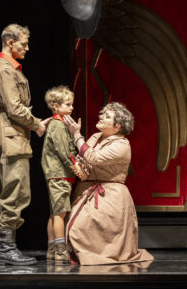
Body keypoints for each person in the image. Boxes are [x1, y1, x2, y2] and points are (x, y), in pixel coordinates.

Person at [0, 23, 50, 266]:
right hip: (9, 136)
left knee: (2, 192)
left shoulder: (5, 68)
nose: (27, 48)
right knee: (15, 192)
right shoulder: (6, 71)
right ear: (10, 43)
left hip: (2, 135)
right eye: (24, 43)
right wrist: (36, 124)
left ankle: (1, 247)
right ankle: (6, 248)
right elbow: (15, 108)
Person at [63, 102, 154, 265]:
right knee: (72, 225)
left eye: (107, 116)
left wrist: (77, 135)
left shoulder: (121, 145)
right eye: (102, 114)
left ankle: (95, 256)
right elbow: (83, 156)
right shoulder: (95, 137)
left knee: (79, 227)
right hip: (87, 189)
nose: (101, 117)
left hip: (110, 194)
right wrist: (80, 167)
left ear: (117, 125)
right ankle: (80, 256)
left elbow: (93, 158)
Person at [41, 86, 80, 263]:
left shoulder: (59, 123)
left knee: (55, 212)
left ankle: (52, 249)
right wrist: (75, 167)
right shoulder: (57, 125)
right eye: (67, 104)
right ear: (56, 106)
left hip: (58, 174)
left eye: (71, 104)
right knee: (60, 213)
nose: (71, 108)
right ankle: (60, 250)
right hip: (59, 175)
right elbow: (64, 152)